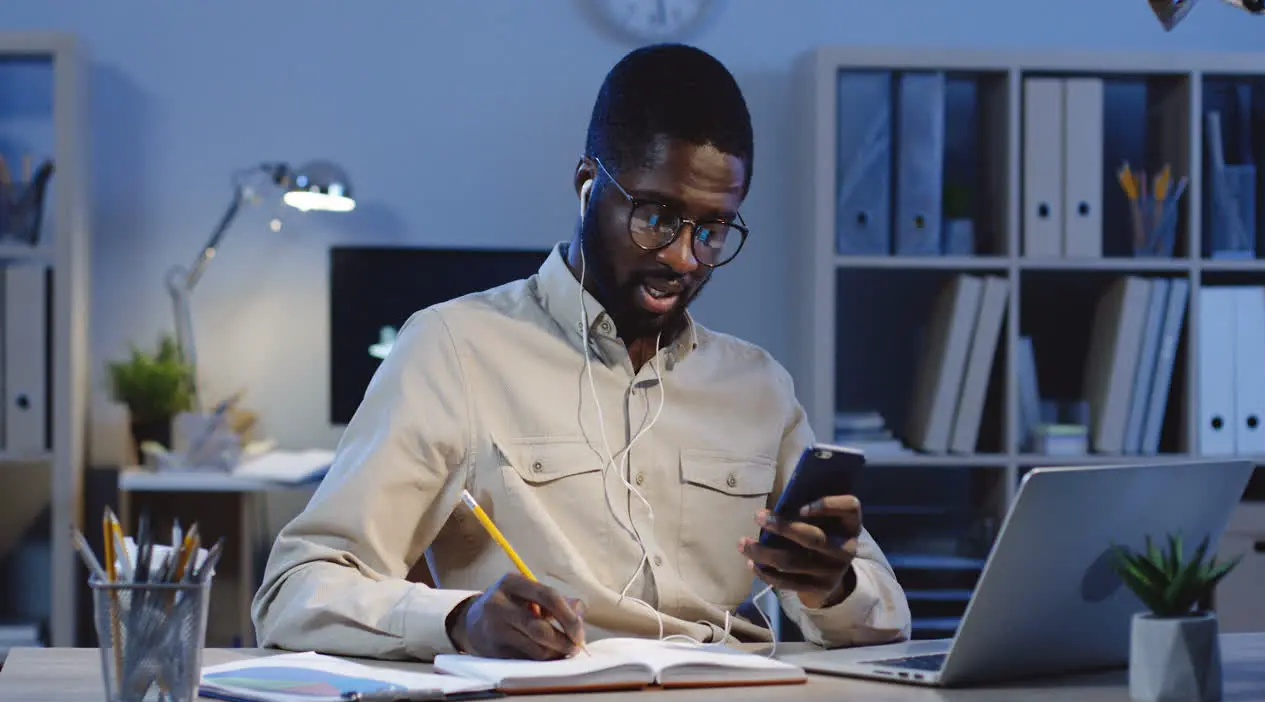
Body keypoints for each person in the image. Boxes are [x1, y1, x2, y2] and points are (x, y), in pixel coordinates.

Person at [252, 43, 910, 662]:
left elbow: (887, 624)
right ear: (587, 185)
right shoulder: (454, 351)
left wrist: (832, 587)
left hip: (732, 694)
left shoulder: (759, 386)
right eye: (654, 217)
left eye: (711, 230)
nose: (683, 258)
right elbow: (296, 590)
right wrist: (458, 621)